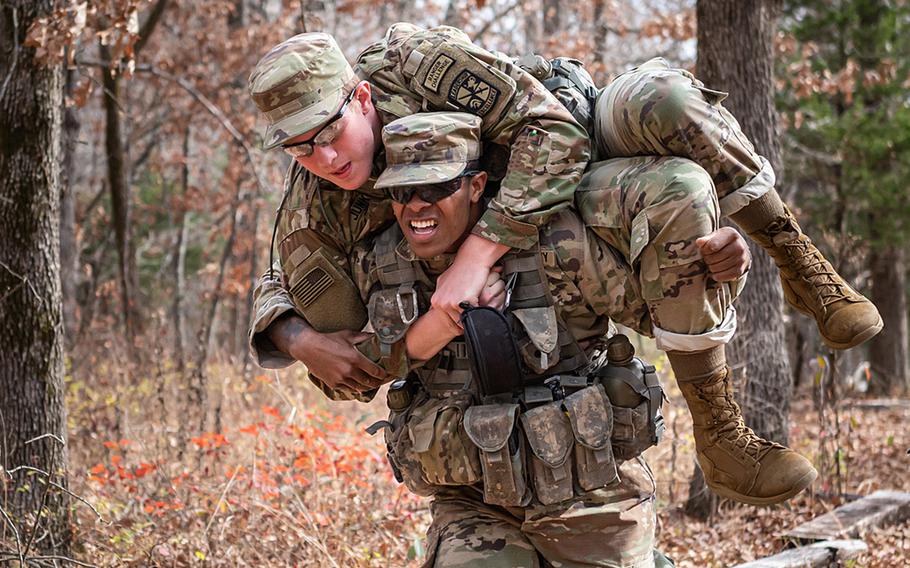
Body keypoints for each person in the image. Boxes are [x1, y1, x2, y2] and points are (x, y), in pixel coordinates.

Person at [246, 24, 870, 501]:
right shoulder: (316, 201)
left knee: (673, 100)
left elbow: (555, 133)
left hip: (573, 140)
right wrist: (295, 336)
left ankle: (800, 266)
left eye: (329, 132)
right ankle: (721, 445)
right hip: (526, 225)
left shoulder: (421, 65)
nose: (323, 157)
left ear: (359, 97)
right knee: (679, 193)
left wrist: (475, 255)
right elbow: (288, 279)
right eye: (300, 148)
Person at [324, 111, 806, 566]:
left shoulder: (558, 244)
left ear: (475, 187)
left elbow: (663, 306)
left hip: (592, 492)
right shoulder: (379, 263)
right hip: (474, 500)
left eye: (437, 187)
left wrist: (723, 268)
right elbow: (349, 370)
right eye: (402, 192)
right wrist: (432, 328)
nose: (417, 207)